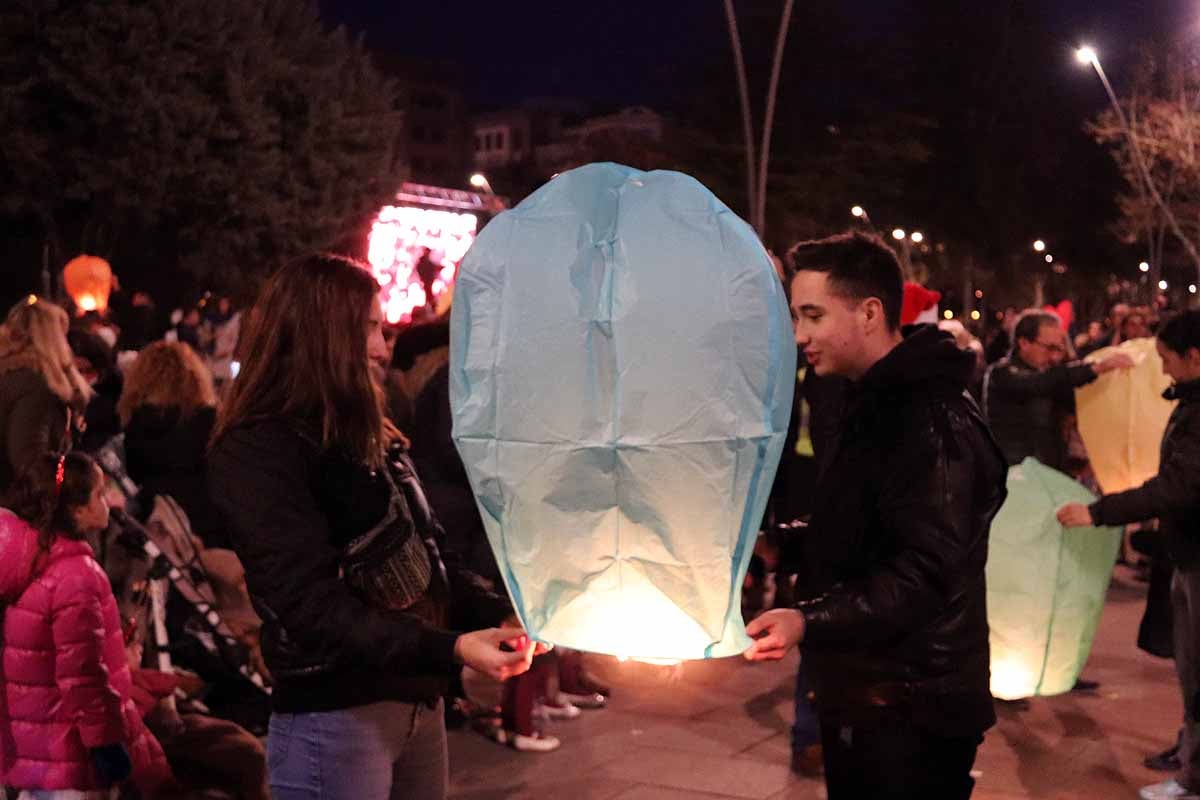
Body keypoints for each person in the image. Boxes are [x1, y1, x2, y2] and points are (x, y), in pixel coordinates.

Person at [207, 254, 540, 800]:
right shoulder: (258, 451)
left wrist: (506, 611)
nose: (383, 348)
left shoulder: (372, 436)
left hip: (416, 706)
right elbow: (310, 607)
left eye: (382, 330)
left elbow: (427, 558)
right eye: (366, 329)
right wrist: (452, 649)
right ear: (317, 332)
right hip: (334, 721)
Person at [744, 232, 1009, 799]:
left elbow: (922, 574)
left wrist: (806, 620)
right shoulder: (874, 399)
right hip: (868, 695)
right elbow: (869, 531)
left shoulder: (932, 419)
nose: (799, 335)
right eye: (795, 316)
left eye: (813, 315)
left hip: (912, 710)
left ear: (869, 313)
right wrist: (777, 545)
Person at [1057, 310, 1200, 800]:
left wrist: (1100, 512)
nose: (1161, 370)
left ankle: (1192, 778)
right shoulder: (1188, 400)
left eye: (1166, 359)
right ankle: (1190, 762)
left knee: (1197, 671)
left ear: (1193, 357)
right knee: (1191, 669)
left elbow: (1179, 485)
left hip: (1197, 558)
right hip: (1187, 553)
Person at [0, 452, 173, 798]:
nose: (108, 500)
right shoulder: (76, 577)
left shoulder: (25, 562)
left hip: (29, 754)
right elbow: (83, 677)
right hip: (69, 759)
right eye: (99, 493)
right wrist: (106, 746)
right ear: (77, 510)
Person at [983, 309, 1133, 471]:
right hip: (1015, 474)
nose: (1054, 356)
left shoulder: (1051, 373)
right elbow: (1040, 383)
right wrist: (1095, 368)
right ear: (1024, 343)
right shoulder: (1001, 373)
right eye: (1049, 348)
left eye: (1059, 349)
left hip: (1048, 471)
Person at [119, 340, 230, 549]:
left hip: (157, 523)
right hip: (209, 522)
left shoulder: (136, 422)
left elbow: (134, 472)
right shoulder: (210, 420)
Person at [0, 297, 93, 494]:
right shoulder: (34, 386)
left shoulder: (12, 377)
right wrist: (67, 486)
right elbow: (31, 463)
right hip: (15, 511)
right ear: (53, 340)